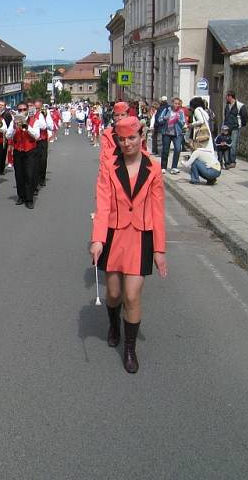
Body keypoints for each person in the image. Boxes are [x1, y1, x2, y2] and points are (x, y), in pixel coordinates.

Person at [89, 116, 168, 374]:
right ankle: (114, 324)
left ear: (141, 137)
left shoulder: (153, 168)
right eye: (122, 139)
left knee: (132, 295)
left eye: (132, 138)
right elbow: (102, 206)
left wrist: (159, 249)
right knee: (113, 294)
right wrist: (98, 239)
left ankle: (130, 349)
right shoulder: (109, 167)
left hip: (141, 236)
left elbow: (157, 210)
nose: (127, 143)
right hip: (114, 234)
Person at [6, 103, 46, 209]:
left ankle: (29, 199)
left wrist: (26, 127)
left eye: (24, 109)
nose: (22, 111)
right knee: (19, 175)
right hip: (18, 151)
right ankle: (21, 196)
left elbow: (37, 136)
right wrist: (15, 127)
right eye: (20, 110)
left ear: (27, 110)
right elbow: (7, 135)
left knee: (29, 175)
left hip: (30, 151)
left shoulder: (34, 121)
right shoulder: (13, 122)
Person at [158, 98, 186, 174]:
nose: (177, 105)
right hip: (167, 132)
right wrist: (165, 118)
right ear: (172, 103)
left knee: (177, 149)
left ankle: (174, 167)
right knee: (165, 150)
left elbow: (183, 123)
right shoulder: (167, 110)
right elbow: (159, 119)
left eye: (178, 104)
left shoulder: (181, 112)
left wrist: (178, 120)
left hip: (177, 133)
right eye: (175, 103)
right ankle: (163, 167)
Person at [222, 91, 247, 169]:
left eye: (227, 96)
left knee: (233, 145)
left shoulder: (240, 105)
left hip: (235, 128)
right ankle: (227, 161)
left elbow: (245, 116)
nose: (226, 98)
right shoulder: (227, 106)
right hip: (227, 128)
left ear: (230, 97)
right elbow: (225, 116)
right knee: (226, 144)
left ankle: (232, 161)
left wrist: (241, 125)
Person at [33, 99, 53, 188]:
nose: (37, 110)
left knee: (43, 160)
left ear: (41, 107)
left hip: (42, 140)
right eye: (35, 108)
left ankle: (42, 178)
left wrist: (44, 117)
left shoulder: (46, 113)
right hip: (33, 140)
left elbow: (50, 126)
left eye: (38, 108)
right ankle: (35, 179)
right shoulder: (31, 114)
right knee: (34, 160)